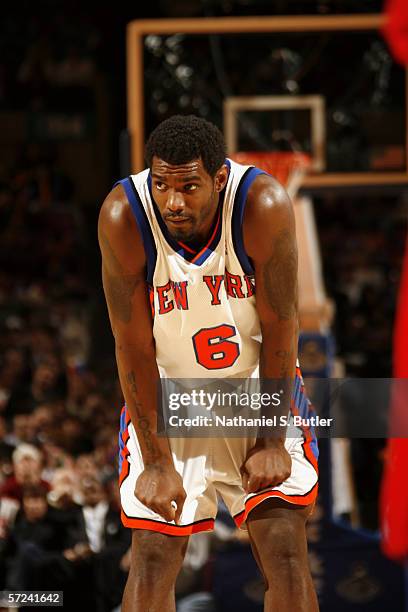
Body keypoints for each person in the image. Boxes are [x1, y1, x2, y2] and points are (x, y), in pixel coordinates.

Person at [98, 115, 319, 611]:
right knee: (152, 557)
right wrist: (155, 462)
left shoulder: (262, 205)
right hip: (172, 393)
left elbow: (283, 326)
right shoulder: (123, 215)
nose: (173, 202)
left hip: (255, 388)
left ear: (218, 178)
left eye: (189, 186)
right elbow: (131, 345)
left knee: (284, 552)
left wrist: (269, 441)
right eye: (162, 186)